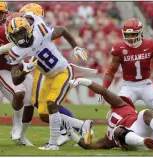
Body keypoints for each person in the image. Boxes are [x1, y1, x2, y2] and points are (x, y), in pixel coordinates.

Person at [6, 12, 90, 150]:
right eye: (15, 36)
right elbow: (15, 80)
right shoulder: (16, 51)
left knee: (52, 104)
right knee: (45, 114)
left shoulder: (41, 31)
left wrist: (75, 46)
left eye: (21, 33)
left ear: (28, 29)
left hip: (63, 71)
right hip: (49, 77)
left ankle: (53, 143)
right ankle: (82, 125)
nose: (20, 39)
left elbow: (62, 30)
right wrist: (24, 72)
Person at [68, 78, 153, 151]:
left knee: (145, 113)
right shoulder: (107, 137)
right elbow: (91, 146)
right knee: (117, 131)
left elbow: (104, 91)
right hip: (136, 144)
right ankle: (146, 141)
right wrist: (71, 133)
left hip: (138, 130)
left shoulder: (121, 105)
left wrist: (82, 81)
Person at [102, 18, 153, 130]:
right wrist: (104, 88)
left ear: (140, 33)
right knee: (119, 113)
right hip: (128, 86)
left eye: (133, 34)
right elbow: (111, 70)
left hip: (146, 84)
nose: (130, 38)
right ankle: (112, 137)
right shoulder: (119, 48)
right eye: (128, 35)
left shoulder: (150, 44)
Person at [0, 2, 33, 146]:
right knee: (19, 92)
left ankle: (21, 135)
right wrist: (14, 44)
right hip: (2, 69)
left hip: (15, 67)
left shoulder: (13, 25)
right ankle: (17, 126)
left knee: (31, 100)